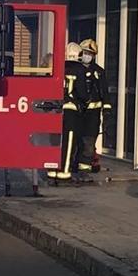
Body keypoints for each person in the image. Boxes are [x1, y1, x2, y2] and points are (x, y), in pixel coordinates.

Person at [48, 42, 84, 182]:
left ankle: (52, 169)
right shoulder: (80, 70)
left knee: (54, 139)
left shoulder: (58, 67)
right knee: (69, 142)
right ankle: (64, 170)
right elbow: (82, 93)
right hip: (71, 109)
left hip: (55, 108)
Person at [76, 39, 110, 183]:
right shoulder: (74, 70)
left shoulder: (99, 72)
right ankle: (72, 167)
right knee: (75, 141)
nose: (87, 55)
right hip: (76, 113)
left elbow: (104, 92)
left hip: (92, 114)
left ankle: (84, 171)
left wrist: (107, 110)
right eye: (85, 52)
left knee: (89, 142)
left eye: (90, 53)